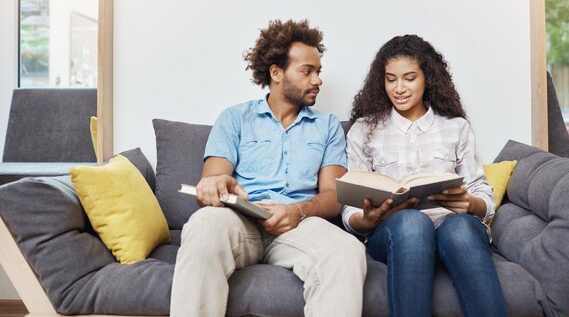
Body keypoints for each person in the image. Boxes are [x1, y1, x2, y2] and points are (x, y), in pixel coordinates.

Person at [170, 19, 366, 317]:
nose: (318, 80)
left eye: (319, 71)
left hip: (299, 225)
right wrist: (215, 185)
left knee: (347, 251)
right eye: (307, 71)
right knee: (204, 223)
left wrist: (297, 212)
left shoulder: (327, 127)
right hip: (242, 222)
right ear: (276, 72)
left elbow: (334, 195)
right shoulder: (235, 118)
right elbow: (212, 178)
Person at [341, 35, 508, 317]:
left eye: (409, 78)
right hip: (394, 233)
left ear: (427, 78)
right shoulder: (364, 129)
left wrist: (470, 204)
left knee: (460, 227)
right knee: (411, 223)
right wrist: (366, 219)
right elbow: (350, 206)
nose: (399, 88)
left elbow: (482, 195)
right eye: (391, 79)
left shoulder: (456, 127)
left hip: (451, 227)